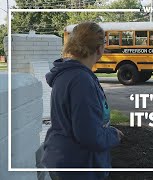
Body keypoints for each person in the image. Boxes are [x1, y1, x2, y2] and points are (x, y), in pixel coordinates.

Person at [42, 22, 123, 180]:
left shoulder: (69, 74)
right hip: (78, 166)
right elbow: (89, 136)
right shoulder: (81, 80)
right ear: (99, 48)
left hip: (66, 160)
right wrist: (114, 135)